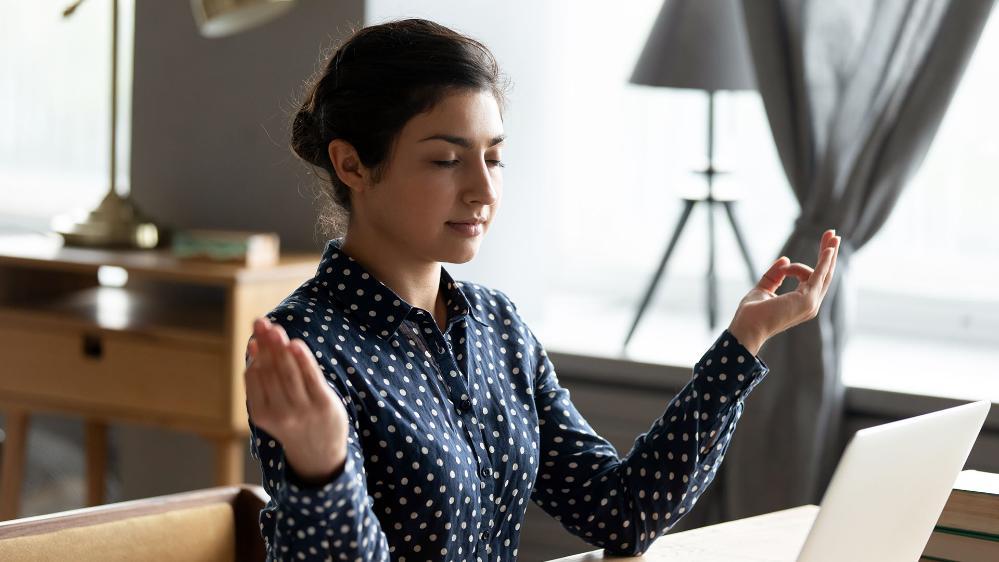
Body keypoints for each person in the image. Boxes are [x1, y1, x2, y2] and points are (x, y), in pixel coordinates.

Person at [242, 17, 841, 562]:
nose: (483, 189)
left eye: (494, 158)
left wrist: (744, 341)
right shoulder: (307, 347)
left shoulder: (495, 325)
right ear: (351, 165)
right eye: (447, 160)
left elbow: (621, 512)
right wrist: (322, 471)